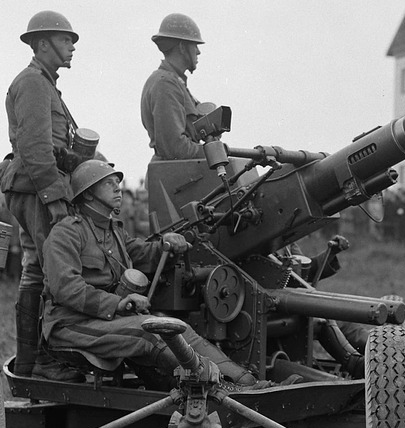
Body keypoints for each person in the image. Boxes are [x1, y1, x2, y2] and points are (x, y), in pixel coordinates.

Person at [42, 160, 261, 388]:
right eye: (108, 183)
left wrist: (165, 244)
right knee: (150, 333)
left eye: (118, 182)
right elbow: (66, 289)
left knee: (179, 328)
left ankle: (246, 382)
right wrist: (118, 304)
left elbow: (142, 253)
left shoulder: (113, 231)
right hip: (70, 325)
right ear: (87, 195)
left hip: (105, 322)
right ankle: (215, 388)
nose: (118, 187)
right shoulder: (66, 232)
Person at [0, 10, 84, 381]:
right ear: (43, 43)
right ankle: (46, 362)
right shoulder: (34, 83)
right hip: (39, 190)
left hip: (36, 187)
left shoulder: (43, 83)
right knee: (53, 270)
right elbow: (33, 147)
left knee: (37, 268)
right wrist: (56, 199)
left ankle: (33, 363)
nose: (72, 48)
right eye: (66, 41)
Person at [140, 13, 208, 162]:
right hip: (177, 178)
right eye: (194, 45)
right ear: (183, 47)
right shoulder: (165, 84)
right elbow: (174, 147)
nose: (198, 51)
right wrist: (213, 152)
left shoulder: (174, 82)